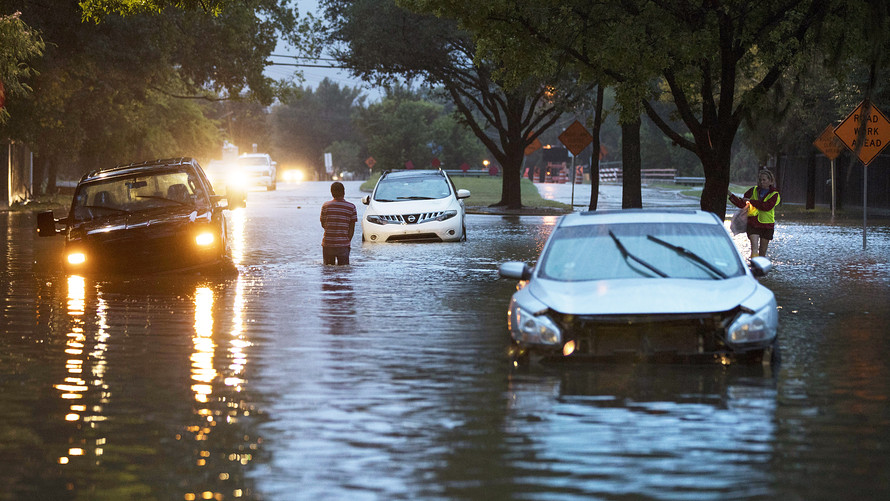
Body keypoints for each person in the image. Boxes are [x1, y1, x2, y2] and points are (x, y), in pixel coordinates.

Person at [728, 169, 781, 259]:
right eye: (760, 180)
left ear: (770, 181)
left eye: (764, 180)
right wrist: (730, 195)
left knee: (763, 250)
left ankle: (760, 267)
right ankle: (754, 266)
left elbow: (766, 206)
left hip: (767, 225)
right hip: (753, 224)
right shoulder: (753, 190)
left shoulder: (775, 194)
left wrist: (751, 201)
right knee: (754, 248)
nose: (761, 182)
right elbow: (742, 203)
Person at [320, 181, 357, 265]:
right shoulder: (351, 207)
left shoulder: (325, 206)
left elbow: (323, 224)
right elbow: (352, 229)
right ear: (344, 192)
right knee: (344, 272)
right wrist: (347, 242)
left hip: (327, 244)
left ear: (331, 192)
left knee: (328, 272)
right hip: (343, 245)